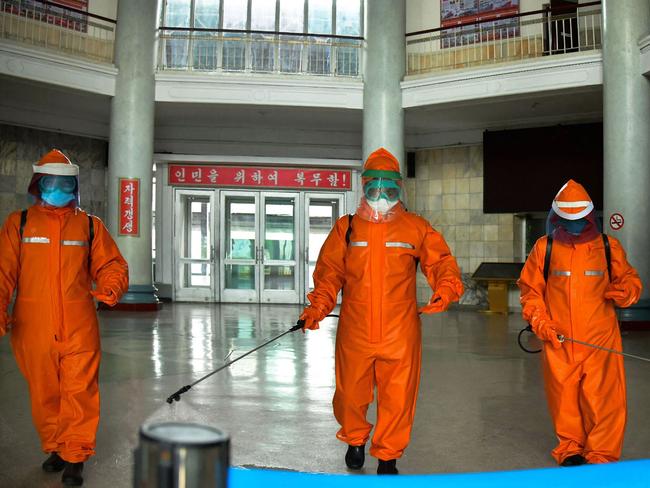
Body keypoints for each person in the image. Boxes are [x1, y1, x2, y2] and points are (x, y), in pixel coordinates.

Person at [300, 147, 463, 475]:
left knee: (398, 397)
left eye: (388, 187)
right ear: (364, 186)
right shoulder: (346, 229)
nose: (381, 194)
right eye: (374, 186)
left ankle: (388, 455)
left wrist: (445, 289)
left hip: (400, 331)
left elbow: (441, 262)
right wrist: (317, 306)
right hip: (355, 330)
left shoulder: (416, 227)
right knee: (349, 394)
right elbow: (330, 272)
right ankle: (355, 439)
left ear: (399, 187)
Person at [0, 149, 129, 486]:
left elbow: (111, 263)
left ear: (74, 187)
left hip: (79, 324)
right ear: (39, 184)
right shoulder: (20, 223)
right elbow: (2, 272)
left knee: (80, 390)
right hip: (32, 325)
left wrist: (111, 286)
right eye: (52, 183)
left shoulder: (89, 225)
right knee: (45, 393)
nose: (59, 190)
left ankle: (75, 456)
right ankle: (56, 447)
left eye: (65, 184)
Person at [518, 179, 642, 466]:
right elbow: (530, 292)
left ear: (589, 217)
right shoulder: (544, 249)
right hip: (558, 338)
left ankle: (601, 455)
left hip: (600, 339)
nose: (575, 227)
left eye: (580, 221)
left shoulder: (608, 247)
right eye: (568, 221)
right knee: (564, 398)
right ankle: (570, 448)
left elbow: (630, 280)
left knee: (604, 399)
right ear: (558, 218)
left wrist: (626, 292)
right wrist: (542, 324)